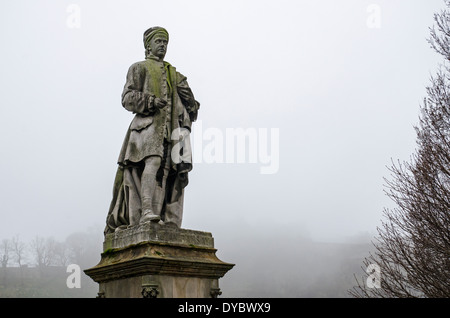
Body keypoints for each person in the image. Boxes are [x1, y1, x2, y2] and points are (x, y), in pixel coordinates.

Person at [104, 27, 200, 234]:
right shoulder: (139, 68)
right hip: (145, 130)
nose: (163, 46)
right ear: (148, 45)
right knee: (153, 162)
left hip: (171, 133)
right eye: (158, 41)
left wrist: (190, 104)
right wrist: (150, 101)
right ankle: (145, 211)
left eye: (165, 43)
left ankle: (159, 217)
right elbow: (127, 98)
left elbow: (191, 104)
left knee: (166, 172)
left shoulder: (175, 74)